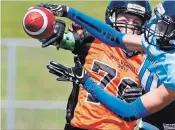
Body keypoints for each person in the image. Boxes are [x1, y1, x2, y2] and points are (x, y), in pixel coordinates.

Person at [41, 1, 175, 130]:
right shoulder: (171, 41)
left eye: (164, 24)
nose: (155, 26)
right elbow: (115, 38)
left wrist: (86, 81)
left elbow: (129, 112)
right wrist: (68, 12)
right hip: (150, 124)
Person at [42, 1, 153, 130]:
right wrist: (51, 29)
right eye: (125, 18)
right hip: (81, 125)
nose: (130, 24)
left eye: (136, 21)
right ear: (112, 17)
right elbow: (53, 38)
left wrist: (144, 95)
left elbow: (163, 96)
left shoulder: (149, 59)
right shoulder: (93, 40)